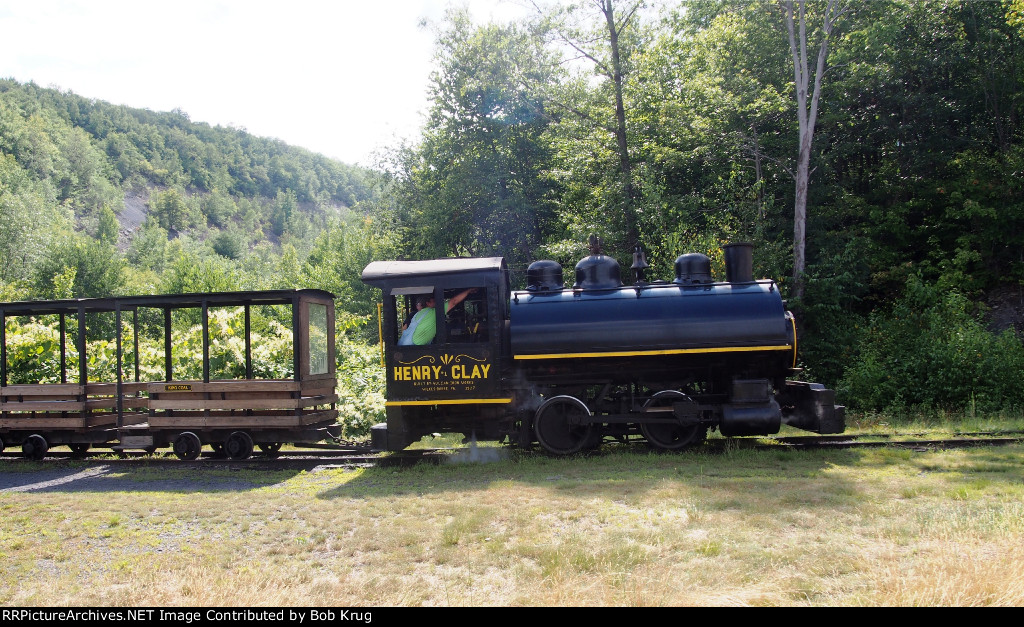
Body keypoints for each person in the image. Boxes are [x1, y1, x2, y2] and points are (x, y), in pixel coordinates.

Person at [398, 288, 476, 346]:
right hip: (414, 348)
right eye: (434, 301)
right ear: (427, 303)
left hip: (405, 345)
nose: (436, 303)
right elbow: (453, 301)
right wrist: (468, 291)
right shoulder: (433, 312)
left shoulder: (417, 314)